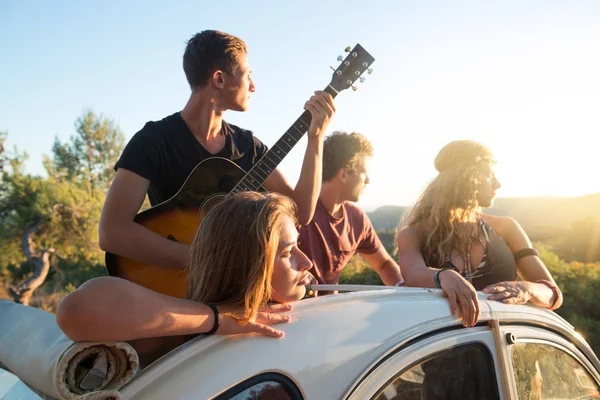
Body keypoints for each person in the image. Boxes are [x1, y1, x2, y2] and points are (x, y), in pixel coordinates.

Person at [99, 30, 335, 270]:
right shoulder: (153, 141)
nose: (253, 86)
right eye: (247, 75)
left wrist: (315, 138)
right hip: (173, 288)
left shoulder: (248, 146)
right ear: (219, 79)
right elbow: (111, 232)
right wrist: (200, 260)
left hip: (235, 288)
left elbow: (301, 213)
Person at [57, 192, 313, 368]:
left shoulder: (316, 310)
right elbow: (77, 310)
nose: (307, 263)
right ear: (245, 265)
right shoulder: (185, 334)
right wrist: (217, 318)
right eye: (288, 253)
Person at [396, 140, 562, 327]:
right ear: (468, 178)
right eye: (490, 175)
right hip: (438, 346)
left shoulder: (506, 228)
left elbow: (553, 295)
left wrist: (528, 289)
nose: (497, 184)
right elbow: (413, 274)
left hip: (498, 346)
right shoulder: (414, 234)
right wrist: (443, 275)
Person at [298, 132, 404, 287]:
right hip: (293, 309)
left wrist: (404, 289)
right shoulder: (296, 211)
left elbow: (384, 264)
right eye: (364, 173)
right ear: (344, 174)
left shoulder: (356, 218)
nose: (368, 180)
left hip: (333, 308)